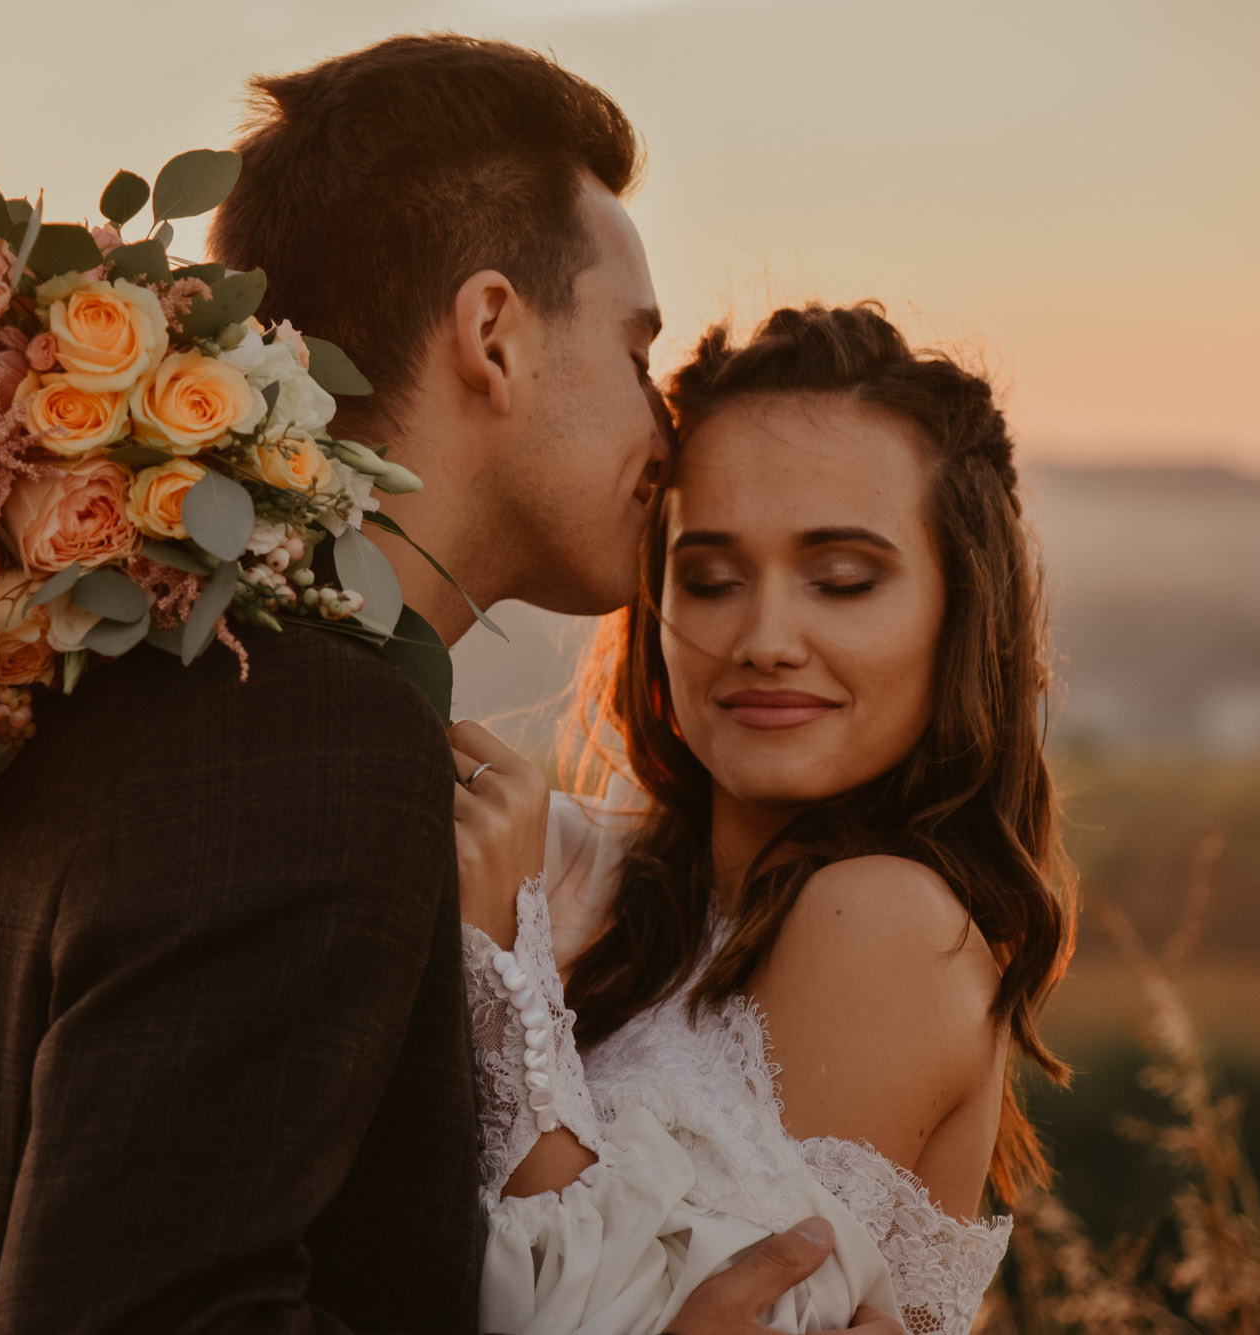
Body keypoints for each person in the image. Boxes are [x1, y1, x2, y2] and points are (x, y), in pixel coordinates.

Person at [0, 36, 894, 1335]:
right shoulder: (307, 731)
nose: (660, 428)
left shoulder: (76, 678)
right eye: (632, 350)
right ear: (493, 332)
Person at [448, 303, 1077, 1334]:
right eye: (709, 579)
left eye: (840, 581)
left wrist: (493, 977)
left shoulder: (889, 923)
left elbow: (629, 1316)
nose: (765, 637)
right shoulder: (595, 870)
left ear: (958, 610)